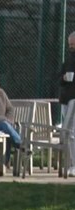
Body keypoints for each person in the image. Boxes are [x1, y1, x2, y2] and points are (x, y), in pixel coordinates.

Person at [58, 31, 75, 177]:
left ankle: (73, 165)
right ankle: (70, 164)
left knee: (71, 133)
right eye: (70, 44)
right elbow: (60, 78)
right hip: (66, 98)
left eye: (73, 44)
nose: (71, 47)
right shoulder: (68, 60)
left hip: (73, 99)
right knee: (68, 133)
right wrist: (64, 78)